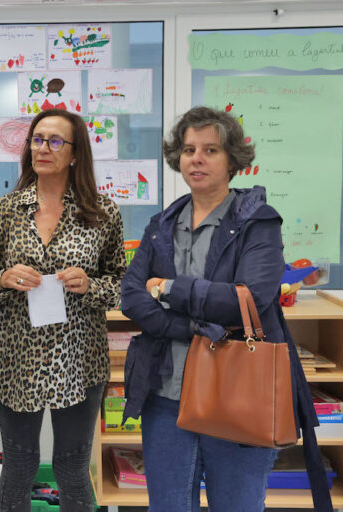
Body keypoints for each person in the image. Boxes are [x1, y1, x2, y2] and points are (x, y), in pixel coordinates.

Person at [120, 106, 332, 511]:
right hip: (165, 395)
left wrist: (169, 288)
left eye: (210, 150)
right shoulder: (162, 223)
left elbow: (248, 299)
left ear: (232, 160)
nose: (196, 159)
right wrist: (190, 327)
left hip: (239, 394)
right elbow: (130, 294)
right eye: (188, 150)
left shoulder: (259, 223)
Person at [0, 109, 126, 512]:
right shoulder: (4, 210)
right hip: (15, 358)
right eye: (37, 139)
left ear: (75, 153)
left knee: (72, 468)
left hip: (79, 359)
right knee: (20, 465)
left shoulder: (102, 213)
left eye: (55, 141)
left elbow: (120, 285)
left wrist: (90, 285)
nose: (43, 148)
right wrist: (4, 278)